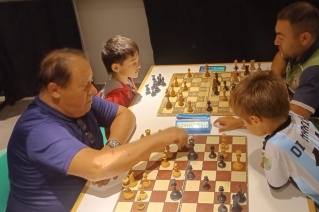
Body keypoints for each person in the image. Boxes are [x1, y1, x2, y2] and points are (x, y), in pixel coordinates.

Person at [6, 48, 188, 212]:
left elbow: (125, 115)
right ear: (55, 90)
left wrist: (111, 147)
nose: (93, 90)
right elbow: (99, 168)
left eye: (91, 81)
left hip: (89, 198)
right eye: (84, 84)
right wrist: (163, 138)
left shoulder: (79, 102)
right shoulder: (38, 130)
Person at [215, 2, 319, 160]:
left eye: (281, 36)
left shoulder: (317, 72)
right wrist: (272, 85)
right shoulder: (310, 46)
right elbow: (281, 56)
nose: (275, 42)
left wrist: (241, 121)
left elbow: (286, 122)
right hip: (304, 130)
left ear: (304, 37)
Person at [229, 70, 319, 211]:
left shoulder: (275, 147)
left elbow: (277, 184)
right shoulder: (296, 117)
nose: (245, 125)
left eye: (245, 122)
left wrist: (269, 157)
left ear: (255, 120)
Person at [97, 35, 140, 108]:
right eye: (133, 63)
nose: (139, 65)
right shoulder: (113, 99)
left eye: (137, 61)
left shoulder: (128, 79)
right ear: (116, 67)